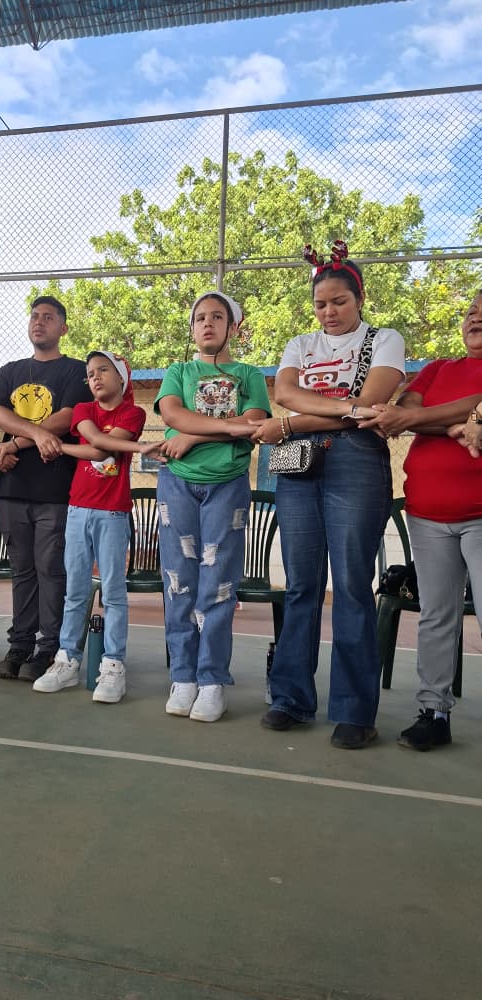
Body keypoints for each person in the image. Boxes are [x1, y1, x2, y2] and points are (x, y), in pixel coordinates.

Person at [252, 242, 405, 749]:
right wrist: (343, 408)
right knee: (301, 583)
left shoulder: (384, 340)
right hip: (299, 463)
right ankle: (290, 698)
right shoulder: (300, 344)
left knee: (353, 584)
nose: (329, 312)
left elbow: (372, 402)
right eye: (320, 304)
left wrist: (292, 423)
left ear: (359, 298)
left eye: (339, 301)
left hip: (355, 461)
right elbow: (285, 393)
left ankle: (355, 711)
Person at [357, 291, 482, 751]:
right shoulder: (438, 369)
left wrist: (431, 416)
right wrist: (458, 423)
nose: (476, 318)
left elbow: (417, 415)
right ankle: (434, 712)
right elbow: (403, 416)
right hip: (428, 515)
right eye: (471, 311)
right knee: (436, 616)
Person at [156, 292, 269, 723]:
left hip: (227, 485)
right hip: (178, 483)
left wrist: (194, 435)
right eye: (200, 317)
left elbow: (254, 422)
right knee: (178, 582)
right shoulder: (179, 371)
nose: (207, 323)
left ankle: (211, 679)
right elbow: (173, 416)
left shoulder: (248, 375)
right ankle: (183, 676)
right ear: (192, 328)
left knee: (218, 584)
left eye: (217, 317)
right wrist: (224, 427)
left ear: (232, 327)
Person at [32, 350, 160, 702]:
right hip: (78, 511)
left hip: (113, 514)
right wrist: (140, 447)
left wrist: (60, 447)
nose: (96, 378)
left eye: (104, 370)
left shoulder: (133, 412)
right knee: (75, 590)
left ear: (121, 378)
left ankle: (113, 665)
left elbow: (101, 450)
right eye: (90, 374)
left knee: (113, 592)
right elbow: (96, 442)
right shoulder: (83, 409)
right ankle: (67, 660)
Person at [0, 296, 92, 683]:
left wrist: (15, 443)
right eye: (34, 316)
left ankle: (50, 646)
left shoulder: (76, 371)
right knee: (22, 570)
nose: (39, 322)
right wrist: (32, 434)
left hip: (55, 487)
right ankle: (20, 644)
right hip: (12, 486)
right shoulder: (10, 371)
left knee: (51, 568)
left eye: (48, 317)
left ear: (62, 328)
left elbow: (66, 418)